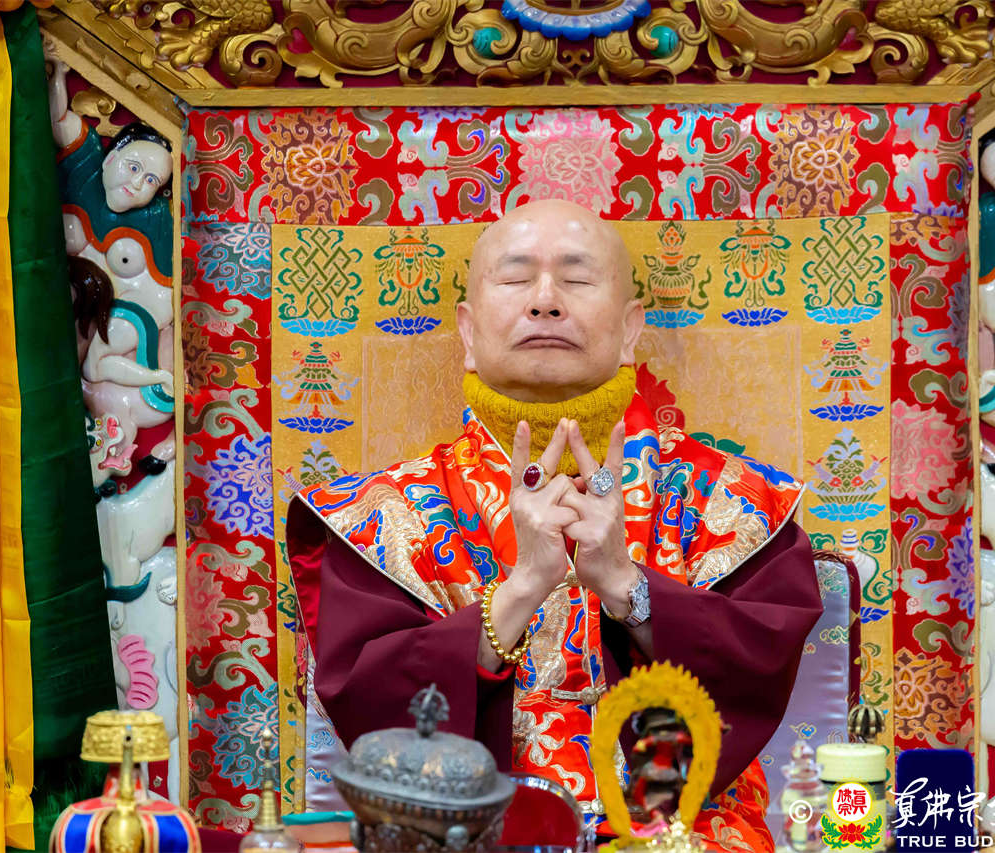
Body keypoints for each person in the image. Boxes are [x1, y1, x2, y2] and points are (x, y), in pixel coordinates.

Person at [287, 199, 823, 853]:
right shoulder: (382, 513)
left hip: (685, 832)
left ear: (630, 330)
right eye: (517, 278)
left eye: (576, 278)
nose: (545, 301)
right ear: (467, 331)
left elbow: (757, 672)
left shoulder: (733, 500)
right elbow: (372, 712)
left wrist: (629, 589)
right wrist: (517, 594)